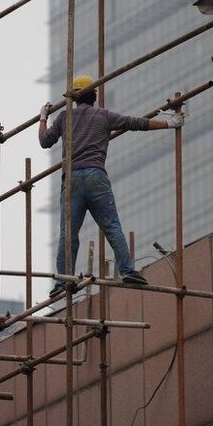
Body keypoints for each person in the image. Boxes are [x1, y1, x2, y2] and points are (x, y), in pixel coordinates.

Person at [39, 75, 186, 296]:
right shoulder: (104, 116)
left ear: (74, 98)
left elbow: (44, 141)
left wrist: (43, 117)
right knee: (111, 226)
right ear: (94, 96)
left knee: (67, 233)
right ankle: (127, 270)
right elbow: (136, 123)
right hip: (96, 176)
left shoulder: (63, 118)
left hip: (71, 179)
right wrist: (169, 123)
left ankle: (62, 281)